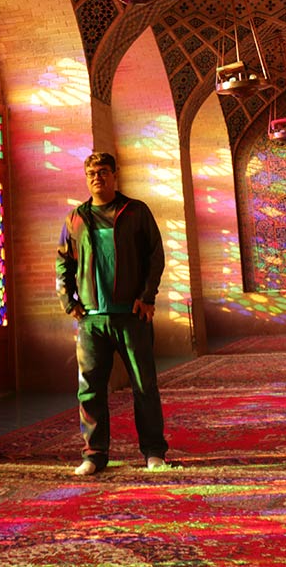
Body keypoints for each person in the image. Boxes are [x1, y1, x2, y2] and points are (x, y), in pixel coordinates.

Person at [56, 150, 171, 476]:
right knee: (90, 389)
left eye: (104, 172)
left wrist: (147, 297)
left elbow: (155, 256)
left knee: (144, 385)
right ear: (86, 177)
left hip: (132, 316)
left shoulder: (135, 212)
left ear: (114, 175)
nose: (97, 178)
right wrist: (69, 301)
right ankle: (94, 455)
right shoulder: (76, 218)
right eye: (92, 173)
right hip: (92, 319)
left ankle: (153, 452)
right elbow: (63, 261)